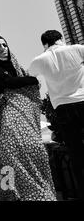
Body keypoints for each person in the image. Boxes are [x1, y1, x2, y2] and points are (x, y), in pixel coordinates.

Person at [0, 35, 56, 201]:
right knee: (9, 151)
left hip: (24, 110)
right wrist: (30, 80)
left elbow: (16, 80)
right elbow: (6, 81)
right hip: (5, 111)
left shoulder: (16, 66)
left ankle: (39, 190)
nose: (2, 48)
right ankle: (11, 192)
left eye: (4, 45)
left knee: (35, 149)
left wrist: (25, 81)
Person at [28, 30, 84, 200]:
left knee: (76, 152)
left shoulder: (40, 59)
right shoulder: (77, 49)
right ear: (61, 39)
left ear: (44, 44)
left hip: (62, 107)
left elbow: (30, 76)